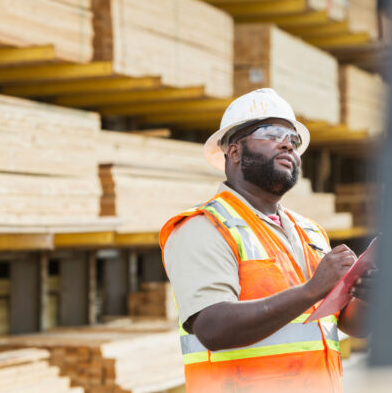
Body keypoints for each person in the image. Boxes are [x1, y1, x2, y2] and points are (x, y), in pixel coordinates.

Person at [159, 88, 372, 392]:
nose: (287, 144)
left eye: (293, 139)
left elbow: (350, 324)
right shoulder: (203, 228)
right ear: (233, 151)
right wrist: (313, 289)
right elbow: (213, 328)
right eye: (272, 133)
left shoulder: (309, 232)